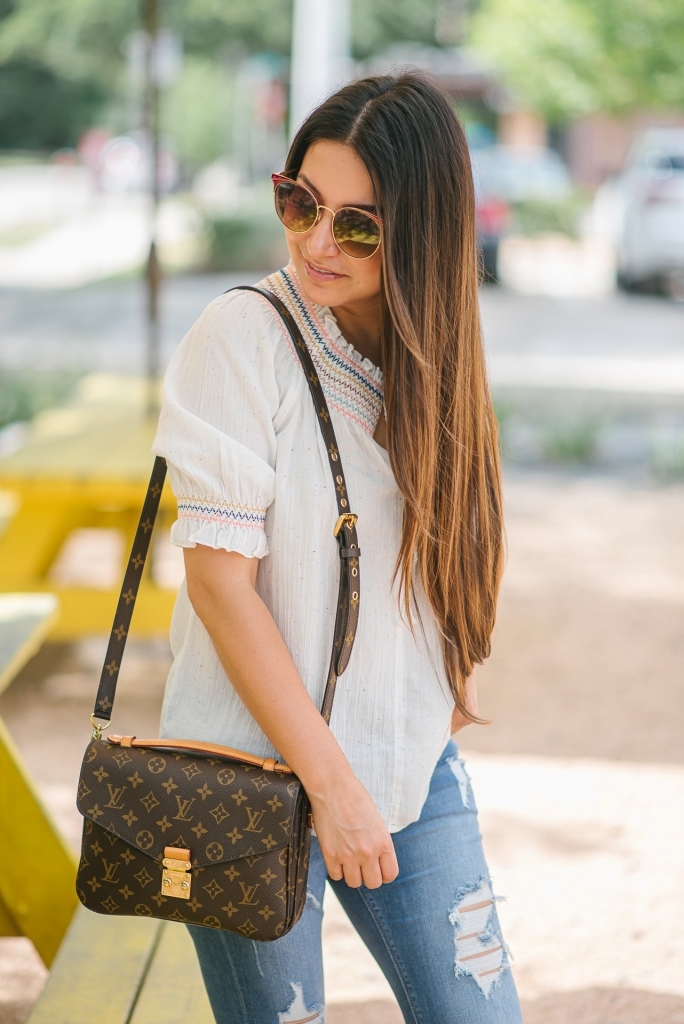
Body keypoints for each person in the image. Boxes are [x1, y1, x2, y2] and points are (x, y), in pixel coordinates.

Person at [153, 72, 522, 1024]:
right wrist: (332, 788)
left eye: (358, 224)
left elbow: (450, 521)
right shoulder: (243, 336)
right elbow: (218, 584)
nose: (318, 242)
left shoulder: (434, 348)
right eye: (300, 204)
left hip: (407, 763)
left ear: (422, 231)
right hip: (244, 782)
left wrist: (451, 662)